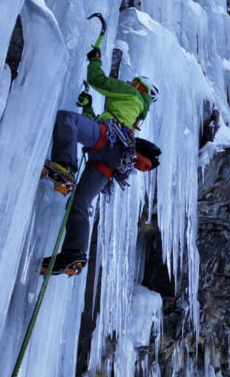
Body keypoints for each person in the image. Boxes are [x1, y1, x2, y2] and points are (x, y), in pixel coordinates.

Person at [42, 45, 158, 275]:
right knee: (79, 203)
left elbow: (97, 79)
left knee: (67, 121)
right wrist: (87, 108)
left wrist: (95, 59)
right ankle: (75, 253)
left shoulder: (131, 93)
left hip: (108, 141)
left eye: (135, 83)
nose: (131, 84)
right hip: (110, 160)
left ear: (140, 87)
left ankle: (65, 167)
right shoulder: (134, 113)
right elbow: (98, 124)